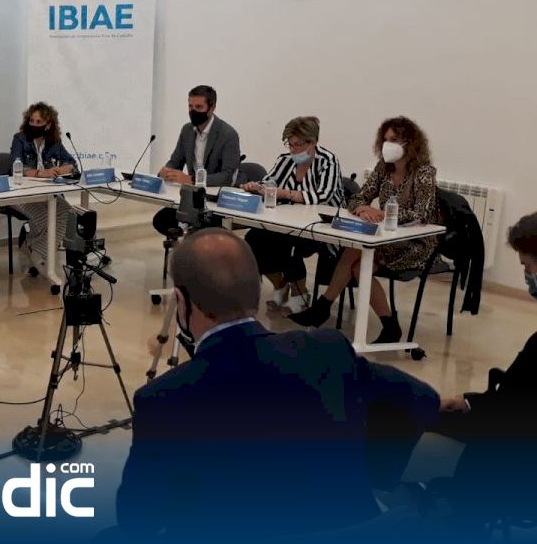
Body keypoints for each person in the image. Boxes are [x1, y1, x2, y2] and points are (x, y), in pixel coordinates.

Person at [116, 228, 438, 541]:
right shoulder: (327, 351)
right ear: (257, 291)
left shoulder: (162, 399)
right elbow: (421, 400)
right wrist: (368, 474)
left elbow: (136, 518)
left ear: (182, 302)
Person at [429, 212, 537, 532]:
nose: (527, 277)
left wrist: (468, 405)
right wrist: (468, 401)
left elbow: (512, 411)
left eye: (527, 268)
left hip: (513, 467)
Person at [289, 116, 438, 343]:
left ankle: (323, 309)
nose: (387, 145)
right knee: (355, 254)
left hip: (414, 243)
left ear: (410, 143)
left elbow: (422, 214)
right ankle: (384, 325)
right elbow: (357, 197)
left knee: (359, 265)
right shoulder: (383, 168)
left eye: (394, 140)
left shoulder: (424, 172)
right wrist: (362, 208)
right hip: (384, 238)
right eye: (385, 139)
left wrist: (383, 214)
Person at [242, 116, 344, 314]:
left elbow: (322, 196)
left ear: (313, 142)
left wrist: (286, 193)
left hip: (322, 227)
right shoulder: (285, 160)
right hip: (287, 221)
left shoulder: (328, 161)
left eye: (299, 145)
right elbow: (269, 182)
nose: (294, 150)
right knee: (254, 239)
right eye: (290, 144)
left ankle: (300, 294)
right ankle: (280, 284)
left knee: (289, 245)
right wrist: (256, 187)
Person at [151, 85, 242, 236]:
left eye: (199, 107)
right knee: (161, 220)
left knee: (199, 227)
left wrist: (191, 180)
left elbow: (227, 176)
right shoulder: (187, 130)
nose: (193, 111)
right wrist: (167, 171)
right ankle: (185, 249)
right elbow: (175, 161)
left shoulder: (228, 135)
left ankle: (196, 248)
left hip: (214, 200)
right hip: (190, 197)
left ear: (211, 108)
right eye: (190, 106)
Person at [9, 102, 77, 271]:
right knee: (47, 217)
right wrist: (42, 173)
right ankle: (37, 252)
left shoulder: (54, 142)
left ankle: (33, 249)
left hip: (46, 193)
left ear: (48, 125)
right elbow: (16, 167)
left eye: (39, 122)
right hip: (20, 192)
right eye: (31, 121)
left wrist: (61, 169)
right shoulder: (20, 139)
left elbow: (72, 164)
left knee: (65, 211)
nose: (34, 124)